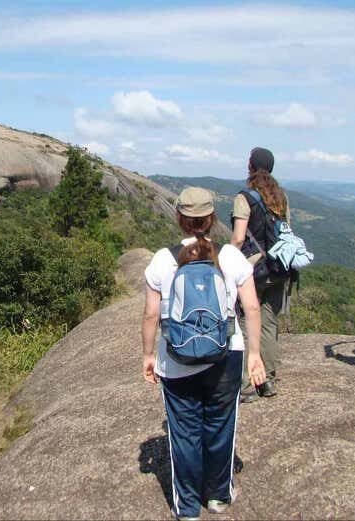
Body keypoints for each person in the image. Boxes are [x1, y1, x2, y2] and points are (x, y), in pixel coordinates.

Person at [142, 187, 266, 520]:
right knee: (220, 426)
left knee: (184, 433)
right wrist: (255, 354)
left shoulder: (163, 259)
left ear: (180, 219)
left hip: (177, 359)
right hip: (225, 355)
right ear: (211, 219)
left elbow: (152, 315)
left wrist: (148, 355)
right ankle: (218, 497)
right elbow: (252, 307)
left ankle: (186, 508)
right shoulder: (230, 256)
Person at [230, 147, 289, 402]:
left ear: (251, 166)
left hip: (252, 270)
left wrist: (226, 261)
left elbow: (239, 237)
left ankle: (245, 386)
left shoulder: (244, 197)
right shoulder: (280, 195)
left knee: (245, 325)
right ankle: (268, 381)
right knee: (269, 323)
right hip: (278, 268)